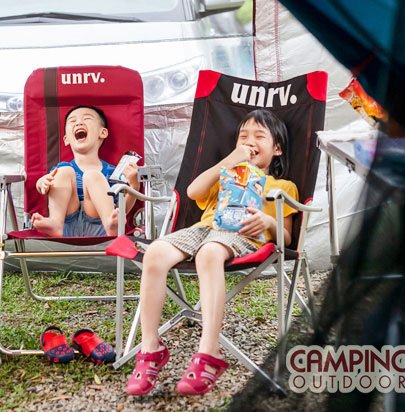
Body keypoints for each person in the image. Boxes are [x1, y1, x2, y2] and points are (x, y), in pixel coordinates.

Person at [125, 109, 299, 396]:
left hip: (244, 235)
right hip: (204, 229)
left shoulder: (281, 186)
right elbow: (193, 192)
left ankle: (209, 351)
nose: (249, 141)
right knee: (155, 251)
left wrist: (269, 221)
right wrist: (230, 162)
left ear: (277, 149)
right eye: (243, 136)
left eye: (259, 136)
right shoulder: (225, 174)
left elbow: (288, 237)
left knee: (208, 253)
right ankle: (150, 348)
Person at [31, 105, 140, 237]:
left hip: (100, 224)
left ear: (103, 133)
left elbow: (121, 208)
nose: (79, 122)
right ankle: (55, 223)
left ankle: (111, 224)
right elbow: (45, 185)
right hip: (66, 223)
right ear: (66, 139)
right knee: (64, 171)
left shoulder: (113, 172)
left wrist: (134, 186)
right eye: (72, 121)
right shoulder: (61, 169)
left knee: (93, 176)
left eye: (87, 119)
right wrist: (41, 183)